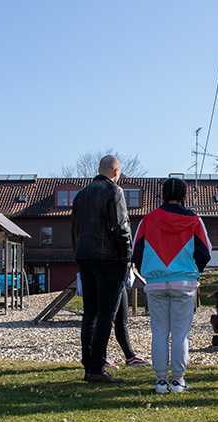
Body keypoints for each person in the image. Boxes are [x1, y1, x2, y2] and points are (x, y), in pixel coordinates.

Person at [132, 177, 211, 393]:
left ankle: (160, 381)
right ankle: (177, 380)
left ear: (162, 195)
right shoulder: (195, 221)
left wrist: (149, 273)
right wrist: (193, 273)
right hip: (184, 283)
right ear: (185, 196)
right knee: (180, 333)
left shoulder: (147, 220)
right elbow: (205, 253)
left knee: (159, 332)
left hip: (155, 283)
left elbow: (136, 253)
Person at [71, 155, 132, 383]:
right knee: (106, 314)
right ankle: (97, 368)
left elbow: (74, 229)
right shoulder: (114, 192)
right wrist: (127, 257)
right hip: (109, 259)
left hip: (85, 257)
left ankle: (90, 365)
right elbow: (120, 227)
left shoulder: (80, 195)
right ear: (116, 172)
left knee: (90, 314)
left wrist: (78, 254)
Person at [104, 269, 151, 370]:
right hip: (110, 275)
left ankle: (130, 356)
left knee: (122, 320)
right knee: (105, 319)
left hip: (121, 278)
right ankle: (100, 356)